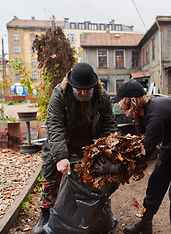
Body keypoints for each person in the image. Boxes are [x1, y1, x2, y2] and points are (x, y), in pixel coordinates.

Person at [96, 81, 171, 234]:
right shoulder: (139, 115)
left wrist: (117, 167)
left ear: (133, 101)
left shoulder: (155, 115)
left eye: (123, 103)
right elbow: (142, 142)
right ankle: (145, 223)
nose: (121, 107)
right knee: (156, 182)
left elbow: (146, 152)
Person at [33, 62, 117, 234]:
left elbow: (109, 125)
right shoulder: (60, 94)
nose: (84, 93)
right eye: (80, 90)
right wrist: (61, 156)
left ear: (94, 86)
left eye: (87, 90)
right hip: (62, 143)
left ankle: (99, 214)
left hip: (90, 145)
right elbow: (54, 125)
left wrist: (107, 150)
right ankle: (45, 214)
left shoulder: (102, 97)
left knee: (95, 179)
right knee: (51, 175)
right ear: (72, 85)